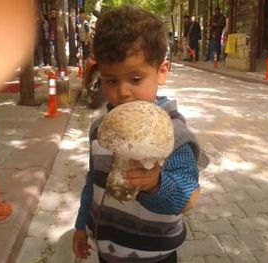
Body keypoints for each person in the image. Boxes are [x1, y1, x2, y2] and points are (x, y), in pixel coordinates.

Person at [72, 6, 200, 263]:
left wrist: (155, 185)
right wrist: (81, 224)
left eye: (136, 79)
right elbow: (93, 180)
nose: (123, 92)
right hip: (106, 250)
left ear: (161, 71)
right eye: (111, 81)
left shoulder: (175, 135)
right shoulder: (100, 129)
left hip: (155, 255)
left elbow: (187, 197)